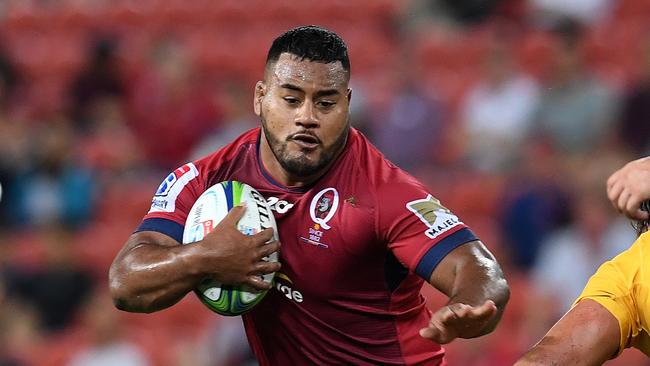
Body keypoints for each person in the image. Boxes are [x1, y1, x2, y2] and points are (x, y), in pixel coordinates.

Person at [109, 26, 510, 365]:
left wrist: (469, 307)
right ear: (260, 98)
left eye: (326, 102)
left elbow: (478, 270)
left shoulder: (383, 192)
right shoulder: (206, 177)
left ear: (347, 105)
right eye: (291, 98)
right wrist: (206, 257)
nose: (307, 116)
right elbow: (126, 284)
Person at [515, 156, 650, 365]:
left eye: (597, 209)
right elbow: (543, 308)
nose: (591, 216)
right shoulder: (561, 247)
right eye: (586, 208)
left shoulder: (626, 243)